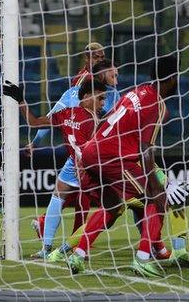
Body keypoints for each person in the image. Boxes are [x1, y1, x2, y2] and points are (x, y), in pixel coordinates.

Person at [66, 55, 189, 277]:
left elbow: (106, 120)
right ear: (171, 78)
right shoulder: (157, 105)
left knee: (112, 206)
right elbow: (146, 148)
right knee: (157, 198)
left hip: (91, 152)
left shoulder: (136, 91)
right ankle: (143, 258)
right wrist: (156, 183)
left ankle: (79, 254)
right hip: (114, 156)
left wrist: (89, 154)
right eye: (177, 77)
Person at [28, 59, 120, 259]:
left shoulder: (112, 96)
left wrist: (21, 104)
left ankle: (60, 244)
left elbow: (41, 120)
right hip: (87, 161)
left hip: (90, 159)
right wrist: (35, 143)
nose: (116, 78)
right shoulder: (75, 96)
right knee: (108, 208)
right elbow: (46, 120)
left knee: (85, 204)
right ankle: (65, 248)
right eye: (112, 74)